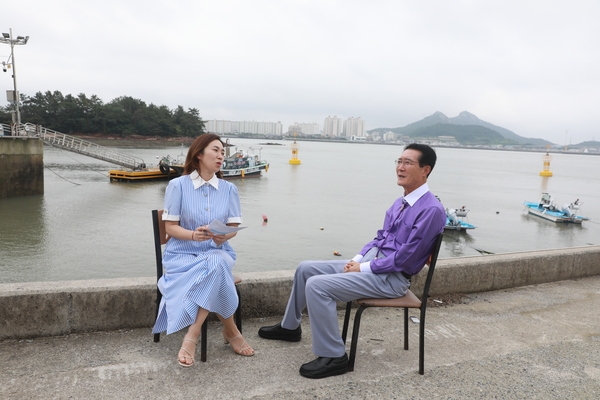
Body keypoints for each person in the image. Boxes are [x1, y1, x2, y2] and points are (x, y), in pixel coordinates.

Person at [258, 143, 446, 379]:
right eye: (398, 161)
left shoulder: (431, 210)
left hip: (391, 279)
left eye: (407, 162)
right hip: (372, 266)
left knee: (317, 286)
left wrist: (362, 268)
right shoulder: (400, 203)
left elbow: (405, 259)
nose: (400, 167)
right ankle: (289, 327)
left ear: (425, 169)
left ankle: (334, 356)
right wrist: (355, 261)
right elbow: (380, 238)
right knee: (306, 268)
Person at [152, 133, 254, 367]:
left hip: (218, 252)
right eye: (215, 151)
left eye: (222, 152)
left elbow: (233, 229)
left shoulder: (229, 189)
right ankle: (231, 331)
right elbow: (170, 228)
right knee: (217, 269)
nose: (221, 156)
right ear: (198, 154)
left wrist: (223, 236)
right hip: (182, 256)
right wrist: (193, 235)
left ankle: (192, 335)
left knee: (217, 262)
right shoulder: (177, 185)